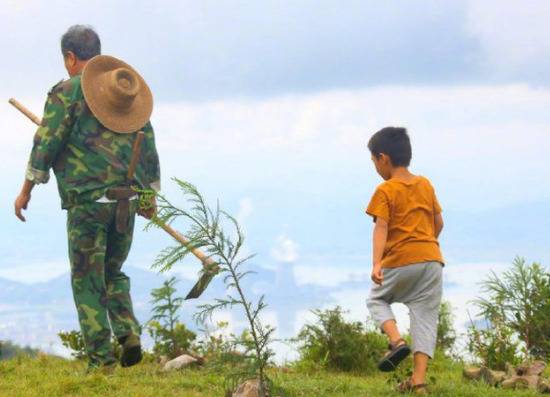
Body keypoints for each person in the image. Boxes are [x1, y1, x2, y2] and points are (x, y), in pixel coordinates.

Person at [13, 25, 161, 372]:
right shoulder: (126, 92)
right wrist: (148, 195)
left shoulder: (66, 92)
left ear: (70, 57)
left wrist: (26, 190)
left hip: (87, 204)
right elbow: (148, 147)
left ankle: (101, 361)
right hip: (126, 200)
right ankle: (127, 332)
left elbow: (45, 144)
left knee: (87, 279)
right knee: (113, 272)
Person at [365, 127, 444, 395]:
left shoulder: (385, 189)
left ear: (383, 158)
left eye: (374, 161)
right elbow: (438, 222)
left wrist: (377, 263)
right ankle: (419, 383)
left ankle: (396, 342)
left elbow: (381, 227)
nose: (375, 167)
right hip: (432, 260)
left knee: (376, 299)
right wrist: (424, 245)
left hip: (400, 259)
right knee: (425, 317)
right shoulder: (425, 184)